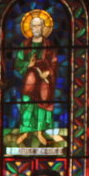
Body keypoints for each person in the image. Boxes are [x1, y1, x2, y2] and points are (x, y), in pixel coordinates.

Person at [12, 10, 62, 147]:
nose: (36, 28)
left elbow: (54, 63)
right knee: (27, 104)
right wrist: (28, 65)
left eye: (39, 25)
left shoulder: (49, 45)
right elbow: (18, 64)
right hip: (29, 81)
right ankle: (26, 131)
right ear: (30, 28)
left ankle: (40, 132)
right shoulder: (24, 46)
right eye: (33, 26)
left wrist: (49, 72)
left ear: (43, 27)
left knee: (42, 105)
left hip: (44, 82)